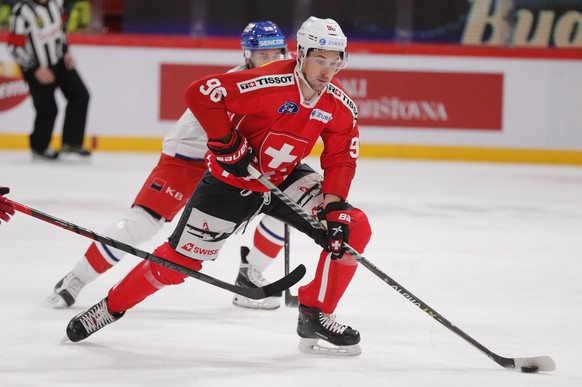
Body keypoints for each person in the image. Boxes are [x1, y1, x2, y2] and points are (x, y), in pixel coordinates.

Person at [65, 16, 372, 356]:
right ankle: (110, 307)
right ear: (301, 54)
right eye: (319, 60)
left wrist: (332, 208)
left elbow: (341, 157)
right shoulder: (266, 81)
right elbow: (198, 93)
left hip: (284, 176)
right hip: (229, 183)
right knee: (176, 264)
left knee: (351, 226)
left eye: (335, 62)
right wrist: (226, 143)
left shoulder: (339, 105)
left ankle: (316, 313)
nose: (327, 71)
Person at [45, 21, 290, 311]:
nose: (271, 62)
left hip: (232, 167)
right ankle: (76, 279)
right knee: (141, 225)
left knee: (284, 208)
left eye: (276, 55)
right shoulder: (234, 85)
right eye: (263, 56)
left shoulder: (286, 85)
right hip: (188, 159)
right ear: (247, 56)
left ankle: (249, 276)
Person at [8, 0, 91, 160]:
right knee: (48, 109)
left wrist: (66, 51)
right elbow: (14, 47)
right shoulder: (21, 10)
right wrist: (36, 69)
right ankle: (39, 148)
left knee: (80, 95)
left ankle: (71, 143)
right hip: (35, 67)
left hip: (59, 60)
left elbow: (61, 29)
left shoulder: (57, 3)